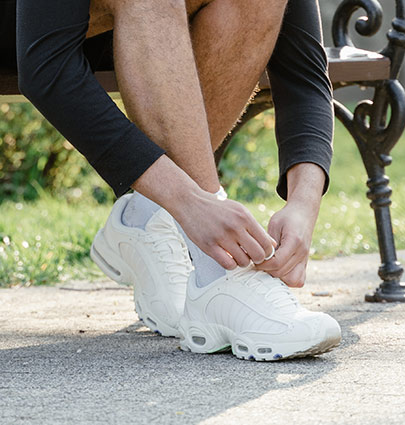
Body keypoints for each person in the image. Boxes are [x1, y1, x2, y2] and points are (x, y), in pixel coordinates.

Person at [8, 0, 340, 360]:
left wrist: (303, 206)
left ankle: (147, 214)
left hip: (154, 32)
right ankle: (218, 273)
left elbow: (305, 74)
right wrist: (193, 203)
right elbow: (46, 67)